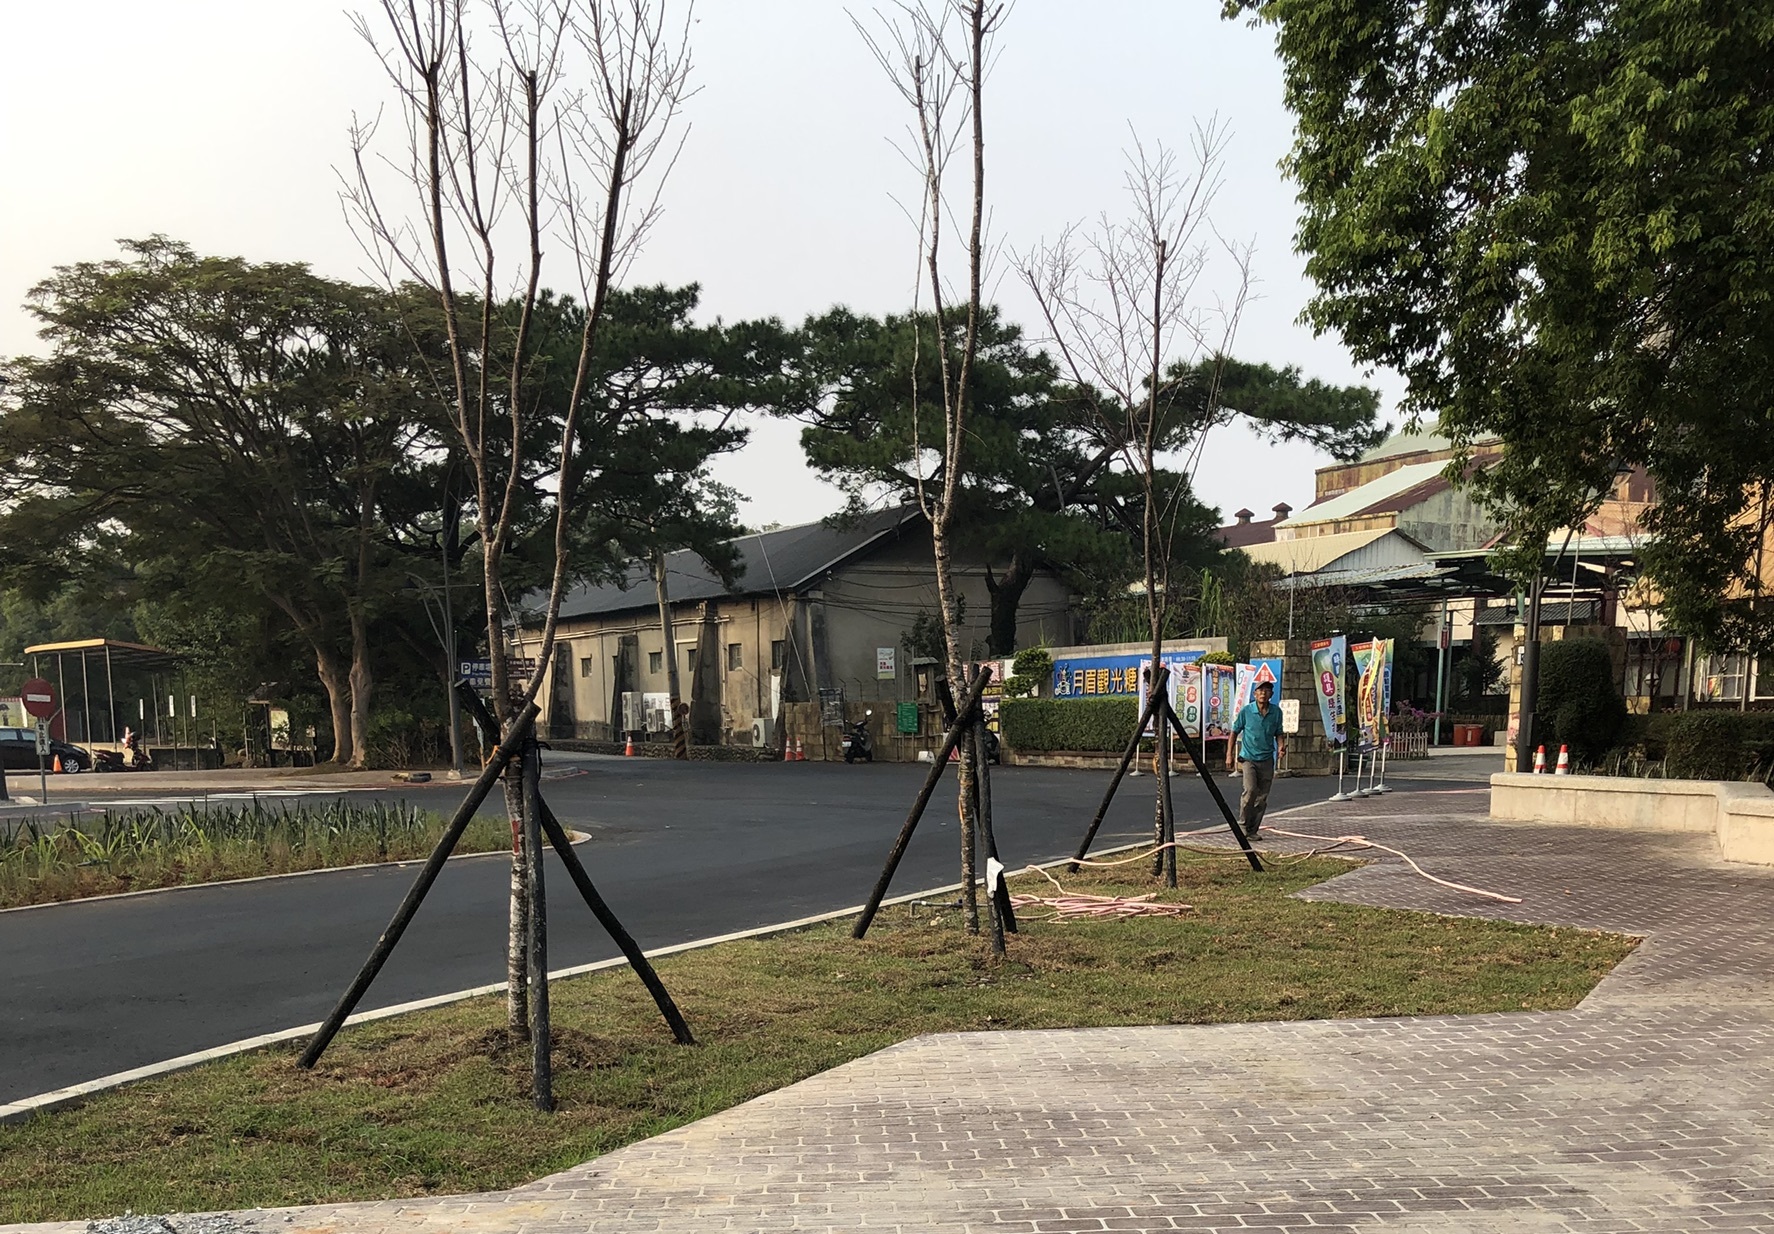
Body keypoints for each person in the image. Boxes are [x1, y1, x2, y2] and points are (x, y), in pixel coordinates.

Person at [1227, 680, 1286, 840]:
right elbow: (1234, 732)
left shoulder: (1276, 712)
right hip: (1249, 758)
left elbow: (1279, 733)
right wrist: (1229, 754)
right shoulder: (1246, 711)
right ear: (1255, 694)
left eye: (1267, 690)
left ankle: (1252, 830)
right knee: (1250, 790)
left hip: (1267, 759)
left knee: (1262, 797)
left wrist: (1281, 746)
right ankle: (1243, 826)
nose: (1263, 693)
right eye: (1260, 690)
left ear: (1271, 694)